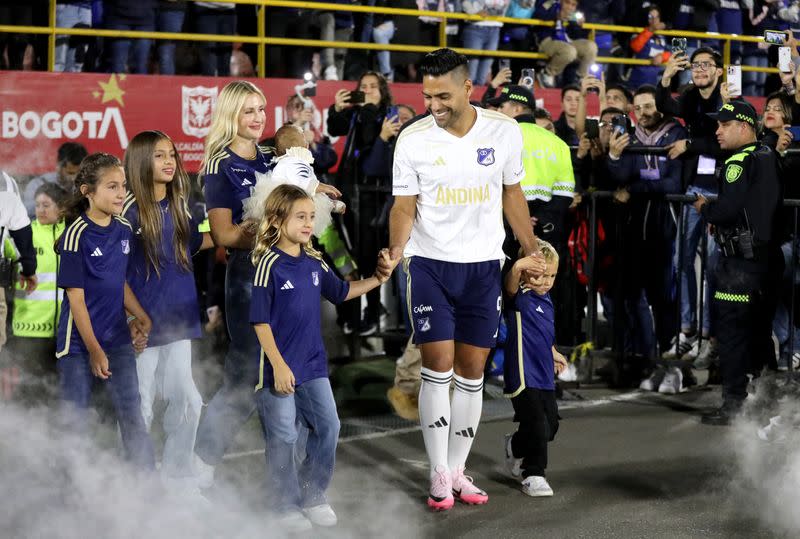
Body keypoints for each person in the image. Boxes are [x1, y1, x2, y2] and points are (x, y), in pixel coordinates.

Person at [388, 48, 543, 510]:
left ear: (468, 89)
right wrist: (396, 251)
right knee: (437, 366)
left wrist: (532, 249)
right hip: (431, 265)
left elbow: (511, 195)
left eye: (442, 95)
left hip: (483, 268)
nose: (433, 104)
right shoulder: (413, 139)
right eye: (426, 95)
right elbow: (403, 206)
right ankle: (437, 472)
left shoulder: (503, 130)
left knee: (472, 372)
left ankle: (458, 469)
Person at [250, 184, 392, 532]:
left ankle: (313, 495)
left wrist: (377, 279)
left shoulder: (314, 260)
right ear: (276, 219)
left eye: (312, 217)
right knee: (283, 437)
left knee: (329, 426)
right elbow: (259, 321)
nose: (308, 223)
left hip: (313, 365)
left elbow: (342, 293)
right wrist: (279, 365)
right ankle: (282, 504)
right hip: (277, 369)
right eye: (300, 217)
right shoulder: (267, 263)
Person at [193, 81, 275, 486]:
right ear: (230, 115)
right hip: (248, 276)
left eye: (261, 109)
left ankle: (288, 484)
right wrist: (273, 233)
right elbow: (224, 236)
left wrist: (322, 196)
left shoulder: (273, 157)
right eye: (248, 111)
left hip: (286, 274)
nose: (258, 117)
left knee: (290, 373)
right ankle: (200, 466)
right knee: (244, 377)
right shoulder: (218, 165)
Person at [122, 130, 214, 487]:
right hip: (140, 327)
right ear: (142, 161)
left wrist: (242, 234)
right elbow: (115, 275)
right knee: (140, 409)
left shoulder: (179, 206)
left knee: (190, 401)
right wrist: (131, 317)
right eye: (160, 155)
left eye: (172, 155)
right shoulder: (126, 211)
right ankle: (134, 484)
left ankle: (179, 480)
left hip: (178, 323)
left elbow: (196, 243)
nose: (169, 162)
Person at [55, 153, 155, 470]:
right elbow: (77, 300)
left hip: (116, 341)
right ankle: (72, 496)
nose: (120, 193)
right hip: (78, 346)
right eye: (112, 186)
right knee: (77, 422)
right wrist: (95, 349)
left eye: (122, 186)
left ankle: (147, 492)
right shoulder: (75, 236)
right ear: (88, 191)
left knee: (131, 414)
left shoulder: (124, 228)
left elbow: (118, 281)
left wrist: (141, 316)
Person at [692, 100, 782, 426]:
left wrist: (704, 208)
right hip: (767, 261)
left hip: (739, 267)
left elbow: (726, 212)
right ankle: (769, 402)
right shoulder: (769, 155)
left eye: (724, 124)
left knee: (731, 334)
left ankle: (733, 405)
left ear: (743, 126)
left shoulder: (738, 162)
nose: (717, 131)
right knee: (759, 332)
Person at [606, 85, 688, 390]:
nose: (643, 113)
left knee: (666, 299)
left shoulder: (675, 133)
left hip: (664, 225)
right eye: (637, 108)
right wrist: (615, 156)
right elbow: (621, 176)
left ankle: (675, 369)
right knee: (640, 298)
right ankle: (656, 364)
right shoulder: (631, 135)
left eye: (648, 106)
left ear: (659, 106)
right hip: (635, 228)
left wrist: (637, 187)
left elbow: (672, 181)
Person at [492, 84, 578, 344]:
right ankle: (550, 359)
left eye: (503, 106)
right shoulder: (558, 143)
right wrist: (541, 219)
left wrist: (518, 220)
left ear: (517, 108)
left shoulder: (500, 138)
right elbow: (565, 194)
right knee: (544, 296)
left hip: (507, 229)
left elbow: (491, 186)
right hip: (547, 232)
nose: (498, 110)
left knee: (501, 295)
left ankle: (489, 369)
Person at [657, 46, 725, 361]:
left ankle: (711, 335)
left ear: (719, 70)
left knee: (713, 267)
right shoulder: (690, 97)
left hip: (720, 191)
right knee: (679, 261)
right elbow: (663, 104)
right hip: (694, 188)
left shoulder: (728, 98)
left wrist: (690, 143)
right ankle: (687, 329)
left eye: (706, 65)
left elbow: (727, 142)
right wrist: (667, 76)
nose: (698, 69)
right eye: (695, 64)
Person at [328, 71, 394, 335]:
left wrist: (365, 109)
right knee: (350, 254)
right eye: (362, 86)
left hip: (374, 197)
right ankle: (354, 315)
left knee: (369, 256)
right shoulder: (358, 113)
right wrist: (337, 108)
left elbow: (370, 147)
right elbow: (335, 128)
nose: (367, 90)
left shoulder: (387, 115)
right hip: (350, 191)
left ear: (382, 91)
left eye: (372, 87)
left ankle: (374, 310)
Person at [502, 240, 567, 497]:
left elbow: (543, 333)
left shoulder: (547, 299)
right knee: (537, 424)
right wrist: (517, 267)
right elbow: (508, 287)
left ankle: (515, 447)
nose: (546, 281)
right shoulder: (519, 296)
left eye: (551, 275)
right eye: (540, 275)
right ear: (526, 272)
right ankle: (534, 474)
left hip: (543, 374)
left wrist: (553, 352)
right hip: (522, 373)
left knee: (550, 426)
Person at [6, 183, 66, 404]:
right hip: (28, 330)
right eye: (38, 205)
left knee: (56, 392)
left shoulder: (72, 236)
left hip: (63, 332)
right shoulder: (23, 234)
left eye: (46, 205)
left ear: (61, 208)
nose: (40, 210)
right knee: (29, 391)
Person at [534, 0, 598, 87]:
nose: (570, 7)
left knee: (591, 47)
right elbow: (537, 14)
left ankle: (581, 78)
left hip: (566, 41)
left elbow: (579, 35)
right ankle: (546, 73)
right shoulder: (550, 3)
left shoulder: (573, 14)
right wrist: (556, 16)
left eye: (573, 5)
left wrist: (579, 25)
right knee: (569, 51)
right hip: (546, 40)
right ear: (561, 2)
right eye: (567, 3)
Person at [23, 142, 88, 216]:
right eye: (70, 173)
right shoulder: (38, 184)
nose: (74, 179)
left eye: (79, 174)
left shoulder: (87, 186)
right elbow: (25, 211)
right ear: (59, 165)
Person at [461, 0, 511, 86]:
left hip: (495, 28)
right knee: (471, 72)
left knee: (483, 76)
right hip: (475, 27)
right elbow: (464, 2)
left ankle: (478, 98)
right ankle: (465, 98)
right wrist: (474, 13)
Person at [194, 2, 236, 76]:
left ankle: (224, 85)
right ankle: (209, 84)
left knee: (225, 55)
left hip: (229, 10)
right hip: (205, 8)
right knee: (209, 55)